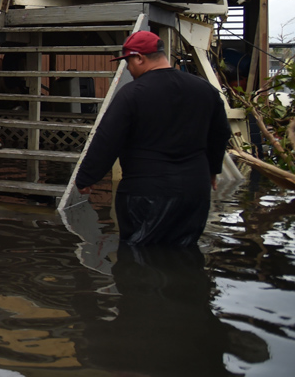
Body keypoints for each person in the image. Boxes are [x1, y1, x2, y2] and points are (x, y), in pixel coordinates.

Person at [75, 31, 232, 247]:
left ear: (140, 58)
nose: (128, 69)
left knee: (140, 256)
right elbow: (221, 133)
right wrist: (213, 170)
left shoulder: (132, 93)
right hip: (195, 190)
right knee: (184, 251)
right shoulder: (205, 89)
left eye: (129, 62)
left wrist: (86, 178)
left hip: (146, 191)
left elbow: (108, 138)